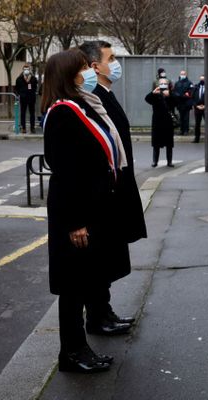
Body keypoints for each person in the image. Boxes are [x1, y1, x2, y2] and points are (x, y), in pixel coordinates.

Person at [41, 48, 131, 373]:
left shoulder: (78, 107)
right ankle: (73, 352)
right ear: (69, 75)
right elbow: (66, 171)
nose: (88, 72)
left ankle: (79, 349)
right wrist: (76, 222)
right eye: (82, 68)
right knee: (73, 287)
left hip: (90, 210)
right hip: (74, 215)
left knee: (81, 282)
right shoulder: (62, 112)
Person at [78, 40, 147, 332]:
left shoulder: (104, 94)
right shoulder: (93, 98)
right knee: (100, 258)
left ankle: (104, 312)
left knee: (108, 257)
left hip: (117, 188)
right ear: (95, 67)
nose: (115, 63)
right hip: (106, 192)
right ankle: (97, 316)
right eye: (112, 58)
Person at [146, 79, 175, 167]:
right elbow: (147, 99)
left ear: (168, 85)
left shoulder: (170, 93)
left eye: (165, 83)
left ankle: (169, 161)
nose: (163, 85)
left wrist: (170, 95)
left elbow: (177, 101)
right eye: (161, 83)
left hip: (168, 121)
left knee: (169, 143)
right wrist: (153, 93)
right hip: (157, 121)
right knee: (156, 143)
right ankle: (155, 161)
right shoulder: (155, 94)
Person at [15, 64, 38, 133]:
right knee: (23, 113)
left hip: (31, 98)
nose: (26, 70)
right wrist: (21, 94)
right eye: (25, 69)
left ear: (30, 70)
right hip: (23, 98)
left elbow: (35, 88)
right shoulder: (19, 79)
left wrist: (31, 92)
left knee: (32, 114)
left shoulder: (33, 79)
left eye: (27, 69)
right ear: (23, 70)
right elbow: (17, 89)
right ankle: (23, 128)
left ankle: (32, 128)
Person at [191, 74, 208, 143]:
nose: (202, 80)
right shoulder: (196, 87)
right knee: (197, 124)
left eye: (203, 79)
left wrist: (205, 106)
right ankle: (196, 138)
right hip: (197, 108)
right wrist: (196, 105)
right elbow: (192, 98)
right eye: (201, 79)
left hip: (206, 109)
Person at [172, 70, 194, 136]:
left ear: (186, 75)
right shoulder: (177, 83)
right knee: (181, 117)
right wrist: (178, 95)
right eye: (181, 74)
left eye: (184, 74)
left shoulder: (189, 83)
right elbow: (174, 91)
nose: (182, 75)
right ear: (180, 74)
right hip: (180, 103)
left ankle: (186, 130)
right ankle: (181, 130)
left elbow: (191, 91)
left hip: (187, 103)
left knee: (186, 118)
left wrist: (186, 94)